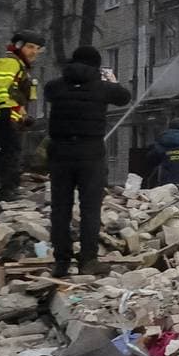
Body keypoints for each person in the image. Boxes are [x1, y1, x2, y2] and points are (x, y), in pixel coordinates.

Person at [42, 47, 130, 276]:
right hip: (90, 154)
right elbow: (123, 97)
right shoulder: (102, 87)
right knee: (90, 208)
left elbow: (49, 93)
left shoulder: (55, 87)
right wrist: (111, 79)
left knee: (60, 208)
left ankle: (61, 262)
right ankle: (88, 260)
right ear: (96, 65)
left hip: (60, 153)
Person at [0, 31, 43, 202]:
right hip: (2, 113)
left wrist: (23, 116)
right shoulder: (9, 63)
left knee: (6, 151)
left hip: (6, 114)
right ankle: (8, 191)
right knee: (12, 151)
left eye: (37, 49)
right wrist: (4, 110)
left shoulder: (19, 66)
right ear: (18, 46)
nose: (34, 52)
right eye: (30, 47)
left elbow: (16, 95)